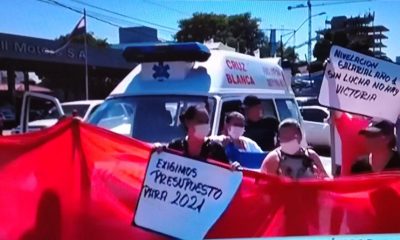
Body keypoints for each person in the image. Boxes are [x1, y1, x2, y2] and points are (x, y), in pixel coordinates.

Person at [156, 105, 230, 165]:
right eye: (200, 121)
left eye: (207, 122)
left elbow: (228, 173)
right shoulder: (176, 146)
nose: (205, 125)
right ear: (188, 122)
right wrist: (157, 151)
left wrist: (234, 168)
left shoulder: (216, 149)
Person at [261, 119, 328, 179]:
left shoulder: (311, 156)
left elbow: (326, 179)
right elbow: (265, 185)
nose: (288, 140)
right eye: (284, 137)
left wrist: (320, 176)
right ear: (279, 139)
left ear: (300, 137)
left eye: (292, 137)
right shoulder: (273, 159)